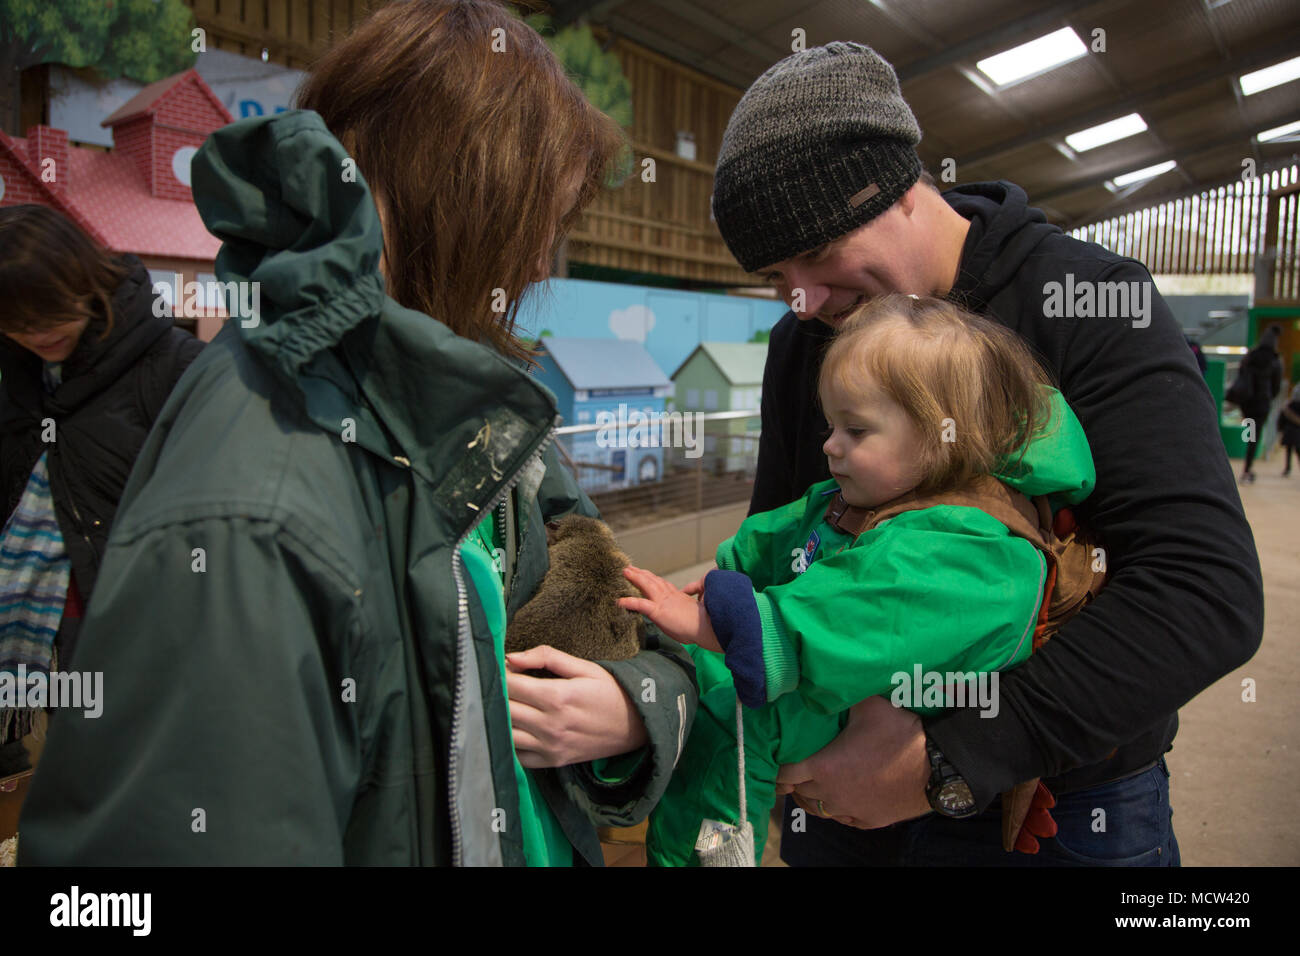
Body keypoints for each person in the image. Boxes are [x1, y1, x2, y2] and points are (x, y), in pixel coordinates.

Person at [18, 0, 696, 866]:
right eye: (539, 226)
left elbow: (629, 622)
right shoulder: (258, 489)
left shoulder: (462, 410)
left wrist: (627, 704)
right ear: (461, 194)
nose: (536, 267)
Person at [708, 42, 1262, 865]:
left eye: (816, 255)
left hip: (1061, 802)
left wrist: (955, 757)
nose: (804, 299)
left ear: (898, 187)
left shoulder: (1091, 304)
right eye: (778, 274)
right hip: (835, 788)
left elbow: (1203, 592)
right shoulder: (810, 338)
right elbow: (789, 541)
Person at [618, 296, 1097, 865]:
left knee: (734, 714)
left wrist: (724, 622)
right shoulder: (878, 497)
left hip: (893, 699)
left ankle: (705, 853)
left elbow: (856, 615)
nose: (829, 444)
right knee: (693, 679)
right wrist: (732, 571)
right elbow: (788, 530)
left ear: (943, 435)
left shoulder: (968, 548)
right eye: (831, 424)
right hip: (858, 684)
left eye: (856, 429)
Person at [0, 204, 203, 775]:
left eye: (48, 312)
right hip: (36, 625)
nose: (35, 332)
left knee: (126, 772)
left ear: (84, 282)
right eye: (15, 321)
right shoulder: (18, 373)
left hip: (134, 623)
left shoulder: (175, 366)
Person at [1236, 324, 1284, 483]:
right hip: (1262, 403)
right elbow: (1276, 386)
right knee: (1254, 435)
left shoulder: (1250, 356)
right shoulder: (1275, 360)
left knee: (1249, 430)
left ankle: (1246, 460)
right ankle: (1247, 467)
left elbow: (1240, 373)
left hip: (1247, 401)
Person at [1278, 383, 1300, 477]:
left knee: (1288, 451)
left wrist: (1280, 428)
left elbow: (1281, 419)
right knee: (1298, 452)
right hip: (1298, 433)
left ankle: (1287, 468)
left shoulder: (1288, 406)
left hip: (1288, 432)